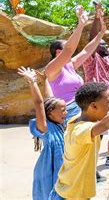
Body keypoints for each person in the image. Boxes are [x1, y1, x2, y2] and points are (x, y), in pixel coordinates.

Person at [49, 82, 109, 200]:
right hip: (71, 196)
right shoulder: (80, 131)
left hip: (69, 191)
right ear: (93, 106)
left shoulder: (78, 119)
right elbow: (104, 124)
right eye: (108, 101)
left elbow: (104, 121)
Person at [45, 6, 107, 122]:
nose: (73, 48)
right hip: (65, 114)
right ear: (59, 52)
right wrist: (80, 25)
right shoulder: (51, 69)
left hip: (80, 111)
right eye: (67, 45)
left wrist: (101, 33)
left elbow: (87, 50)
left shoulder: (70, 65)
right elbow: (69, 49)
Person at [18, 67, 66, 200]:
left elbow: (49, 99)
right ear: (50, 112)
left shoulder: (60, 125)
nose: (65, 113)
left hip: (61, 170)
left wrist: (45, 81)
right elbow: (39, 103)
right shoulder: (45, 128)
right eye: (62, 110)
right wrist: (33, 82)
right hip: (47, 172)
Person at [82, 2, 109, 90]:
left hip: (107, 92)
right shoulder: (91, 58)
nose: (106, 46)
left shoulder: (106, 55)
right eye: (103, 45)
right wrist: (97, 18)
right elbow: (93, 39)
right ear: (96, 46)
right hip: (94, 93)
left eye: (106, 45)